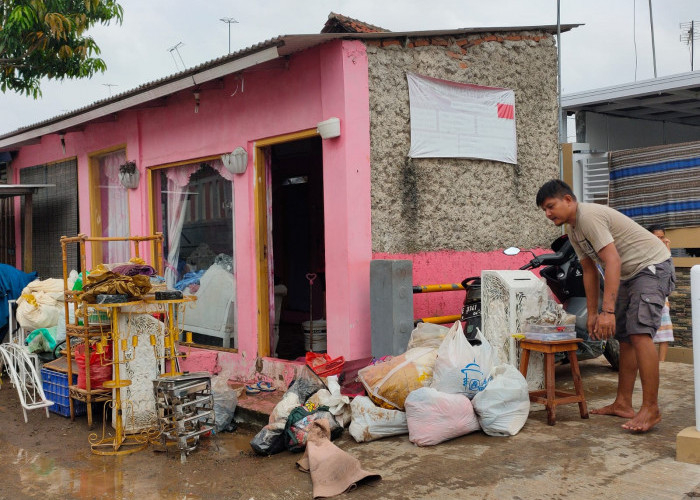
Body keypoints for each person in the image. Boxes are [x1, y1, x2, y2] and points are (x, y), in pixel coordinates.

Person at [535, 179, 674, 433]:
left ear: (568, 200)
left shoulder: (588, 216)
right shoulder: (574, 230)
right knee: (624, 337)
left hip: (651, 267)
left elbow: (612, 259)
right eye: (544, 210)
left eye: (551, 206)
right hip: (629, 274)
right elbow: (589, 269)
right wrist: (594, 313)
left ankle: (651, 408)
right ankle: (623, 403)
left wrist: (608, 311)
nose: (548, 214)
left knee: (640, 333)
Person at [648, 225, 674, 362]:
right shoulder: (645, 251)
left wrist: (667, 249)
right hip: (649, 296)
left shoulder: (665, 253)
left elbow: (670, 271)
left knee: (665, 331)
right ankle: (649, 362)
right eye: (656, 237)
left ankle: (662, 363)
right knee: (648, 331)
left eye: (661, 237)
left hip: (663, 297)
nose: (660, 240)